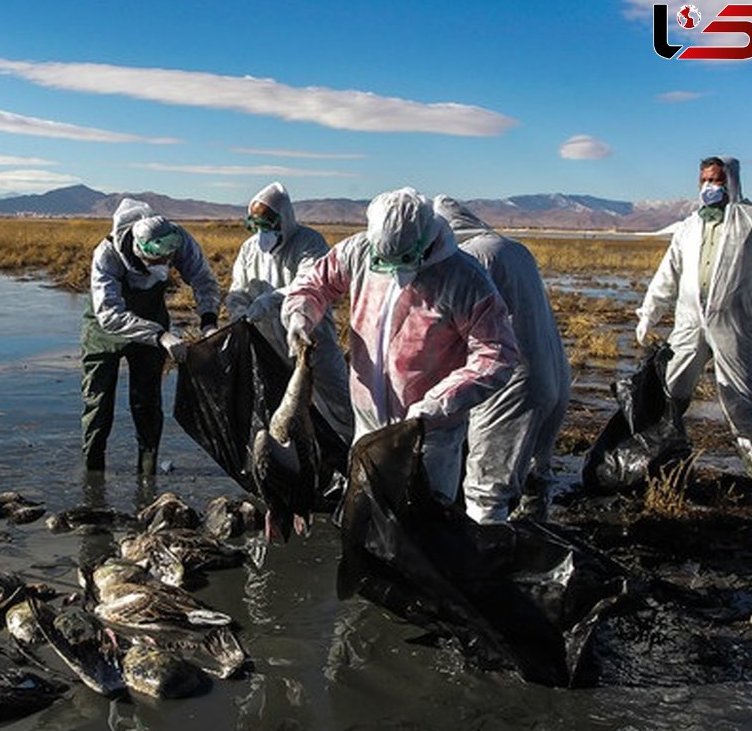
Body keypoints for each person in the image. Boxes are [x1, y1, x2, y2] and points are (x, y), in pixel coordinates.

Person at [282, 187, 519, 505]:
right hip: (367, 423)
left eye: (405, 261)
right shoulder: (358, 251)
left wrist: (438, 403)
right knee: (366, 516)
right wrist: (300, 314)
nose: (393, 272)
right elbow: (315, 283)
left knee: (422, 523)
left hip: (428, 433)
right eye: (383, 261)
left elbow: (497, 353)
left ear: (425, 241)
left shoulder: (463, 279)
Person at [635, 156, 752, 483]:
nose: (710, 188)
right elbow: (667, 275)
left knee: (740, 397)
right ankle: (662, 458)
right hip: (689, 323)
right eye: (705, 182)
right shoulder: (688, 227)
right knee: (671, 389)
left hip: (736, 324)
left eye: (717, 181)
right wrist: (649, 313)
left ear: (732, 182)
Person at [433, 195, 571, 523]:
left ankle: (489, 563)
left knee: (486, 490)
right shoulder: (515, 249)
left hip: (509, 386)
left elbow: (450, 328)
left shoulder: (469, 257)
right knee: (537, 470)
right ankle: (538, 541)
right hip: (552, 374)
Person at [81, 199, 221, 475]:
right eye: (158, 260)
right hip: (103, 330)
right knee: (98, 401)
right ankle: (93, 474)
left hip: (154, 323)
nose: (166, 263)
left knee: (147, 402)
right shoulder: (107, 255)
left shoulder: (177, 238)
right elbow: (109, 315)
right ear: (139, 251)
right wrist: (161, 337)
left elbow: (203, 279)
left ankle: (147, 474)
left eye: (168, 259)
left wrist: (209, 322)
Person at [224, 181, 354, 445]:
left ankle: (348, 455)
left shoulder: (308, 242)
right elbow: (238, 289)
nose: (261, 231)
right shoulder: (250, 249)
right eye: (255, 224)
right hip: (268, 343)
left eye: (267, 224)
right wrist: (238, 311)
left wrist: (270, 301)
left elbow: (309, 282)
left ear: (284, 219)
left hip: (312, 339)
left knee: (337, 404)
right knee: (281, 406)